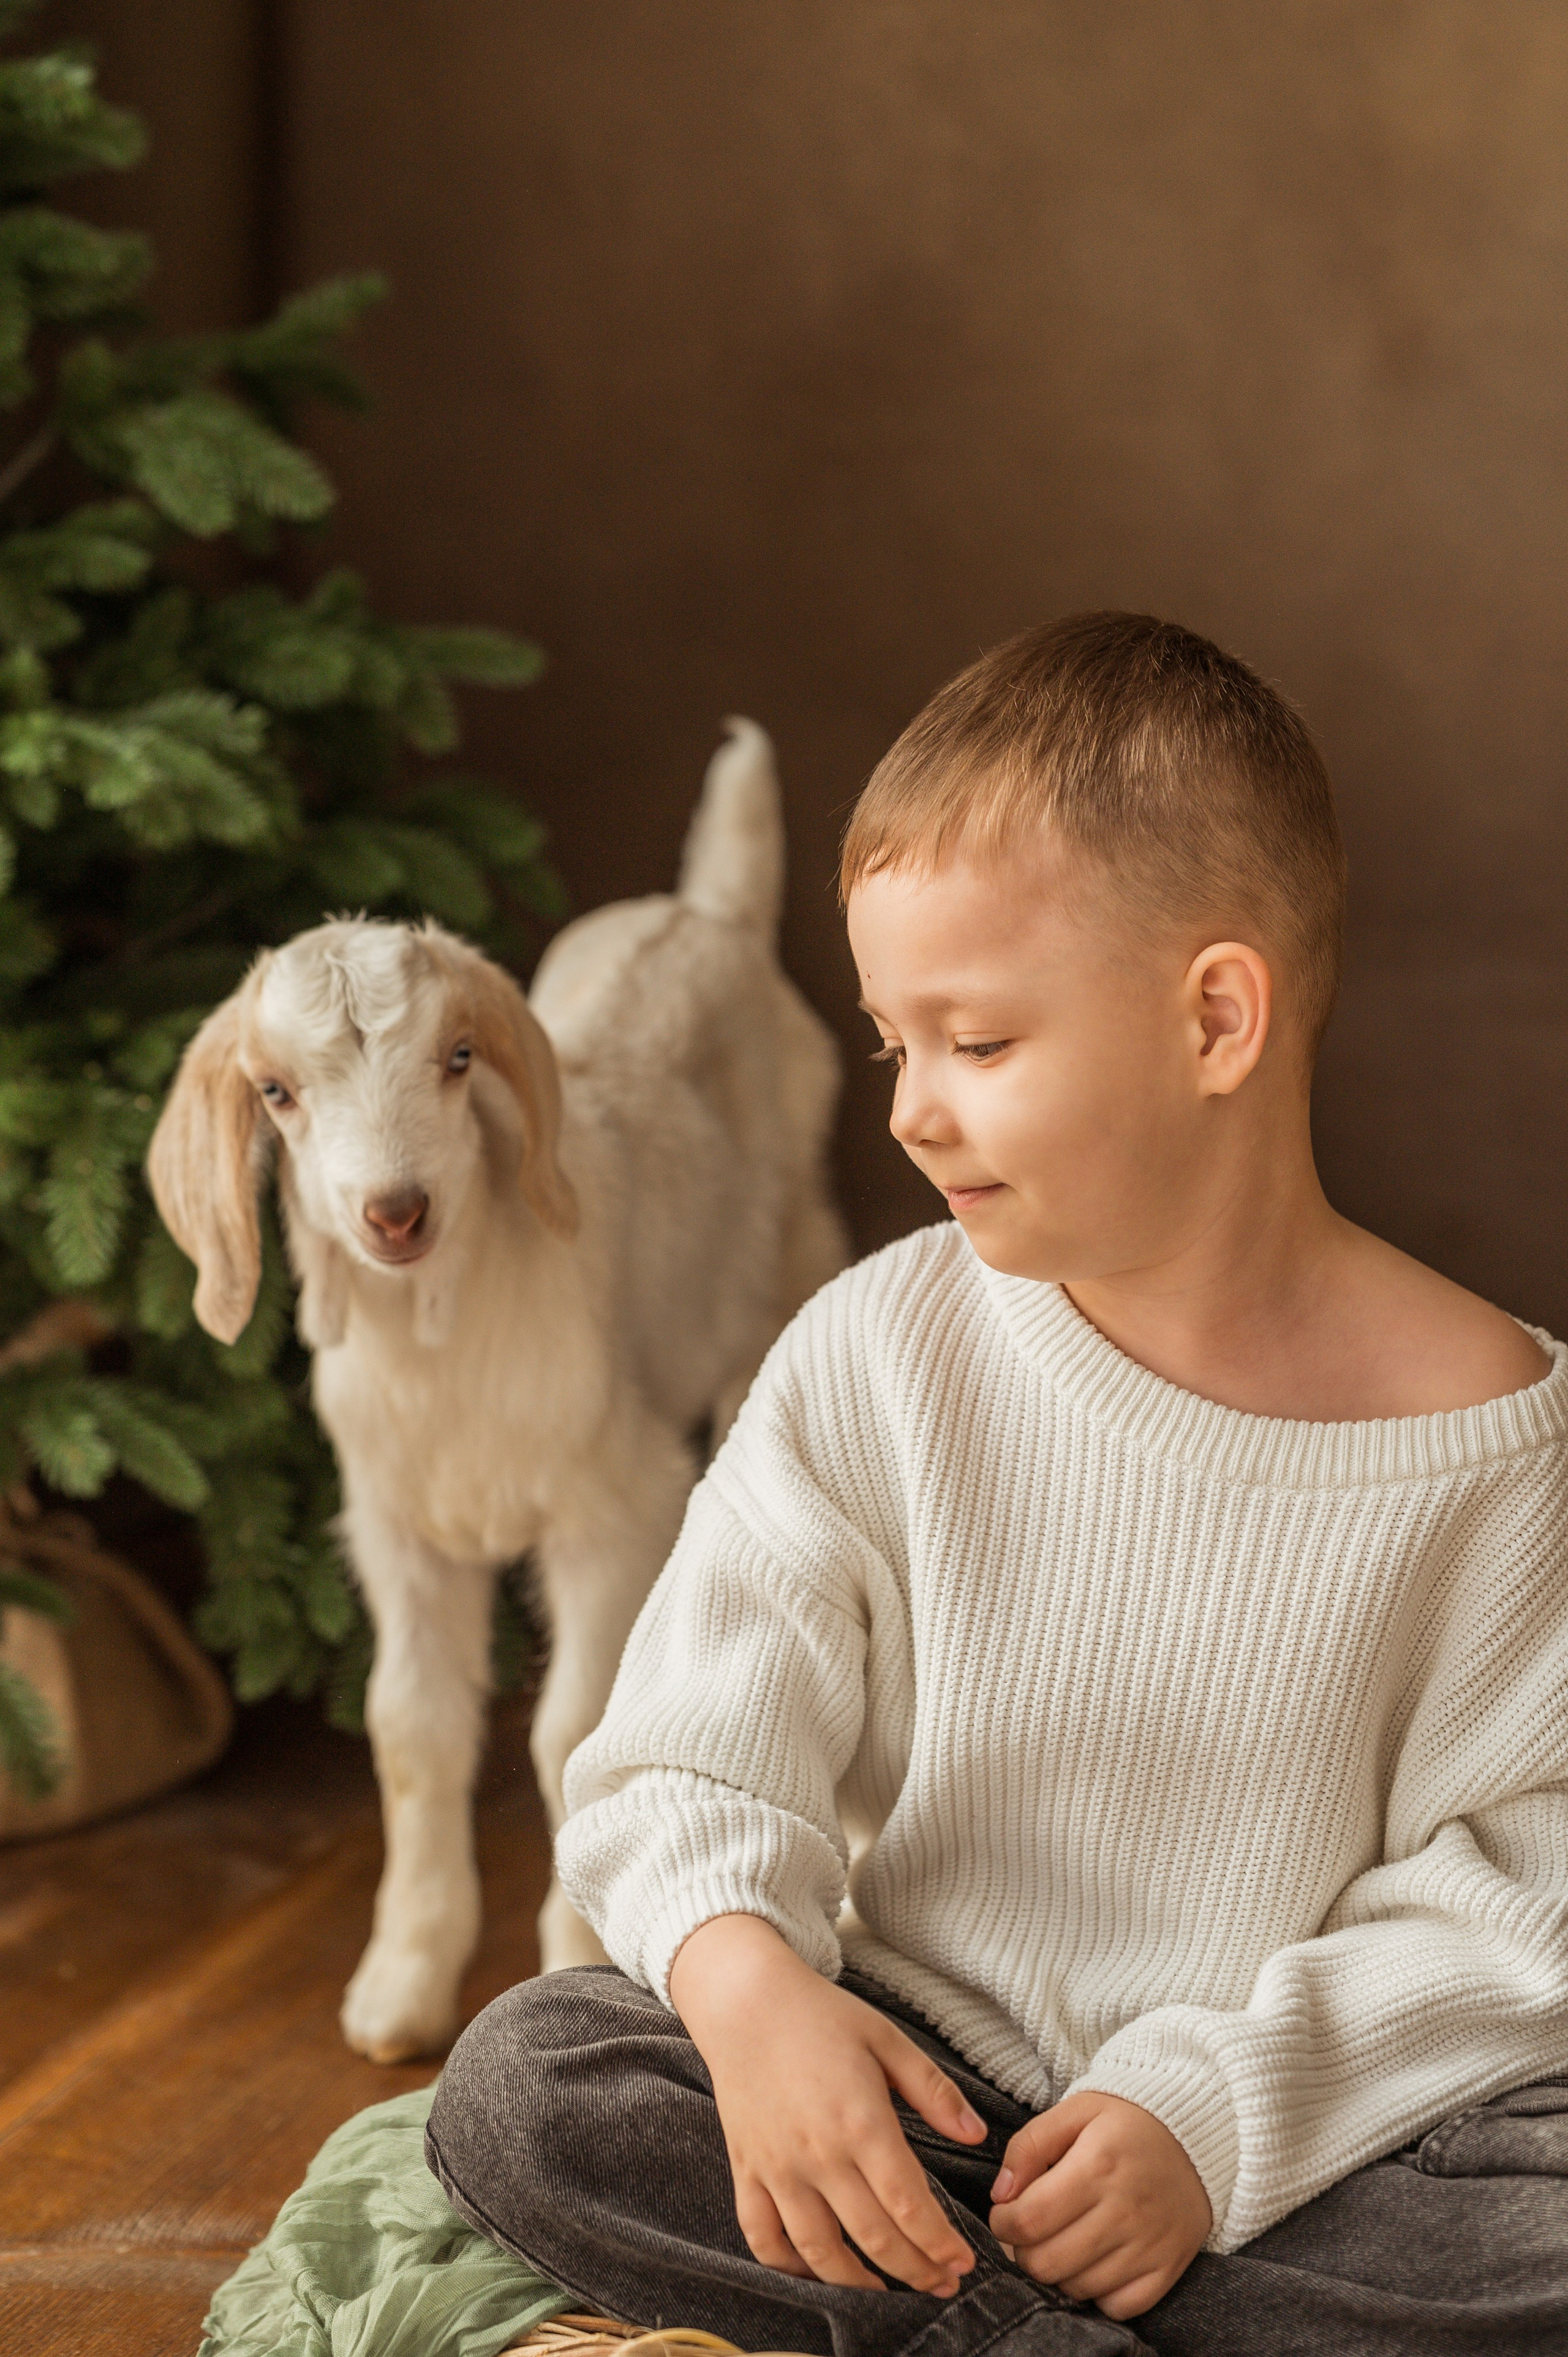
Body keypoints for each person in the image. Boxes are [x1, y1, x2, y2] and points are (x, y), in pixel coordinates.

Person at [426, 614, 1568, 2356]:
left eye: (974, 1043)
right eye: (893, 1044)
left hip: (1301, 2136)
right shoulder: (879, 1352)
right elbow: (678, 1758)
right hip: (928, 2094)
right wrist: (753, 2002)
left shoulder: (1497, 1439)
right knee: (533, 2083)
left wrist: (1211, 2120)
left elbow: (1519, 1895)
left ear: (1215, 1019)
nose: (909, 1115)